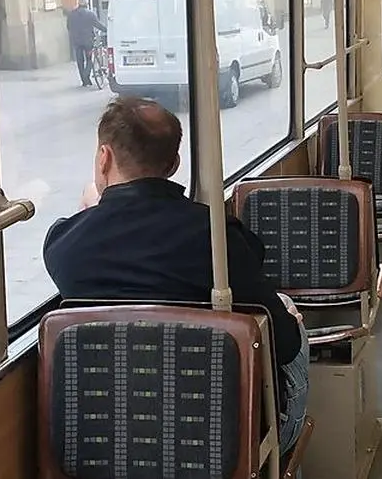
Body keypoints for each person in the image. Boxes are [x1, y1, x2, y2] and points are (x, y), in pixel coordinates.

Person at [42, 97, 310, 454]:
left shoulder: (64, 246)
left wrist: (91, 210)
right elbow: (285, 345)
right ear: (174, 164)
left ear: (104, 157)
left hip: (104, 445)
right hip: (220, 444)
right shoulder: (217, 238)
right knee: (285, 316)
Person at [66, 0, 106, 87]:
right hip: (88, 41)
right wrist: (106, 30)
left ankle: (84, 81)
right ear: (87, 4)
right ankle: (86, 75)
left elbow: (68, 26)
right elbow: (97, 25)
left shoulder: (71, 14)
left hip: (76, 41)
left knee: (80, 61)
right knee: (90, 59)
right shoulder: (90, 14)